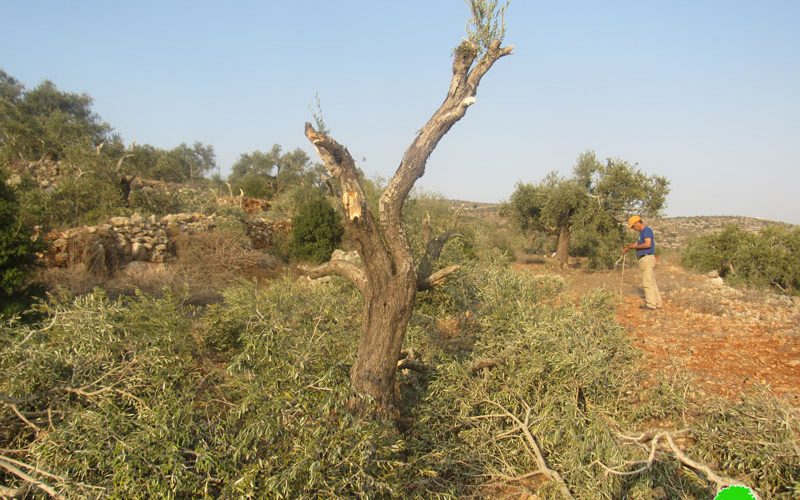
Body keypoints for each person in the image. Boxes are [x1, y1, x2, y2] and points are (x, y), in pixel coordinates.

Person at [623, 215, 662, 310]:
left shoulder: (647, 230)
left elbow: (647, 244)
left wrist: (634, 247)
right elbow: (639, 244)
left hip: (647, 258)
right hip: (646, 258)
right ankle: (657, 303)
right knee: (652, 282)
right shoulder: (642, 233)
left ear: (637, 223)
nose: (633, 228)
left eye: (633, 226)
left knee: (647, 282)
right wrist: (630, 247)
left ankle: (651, 304)